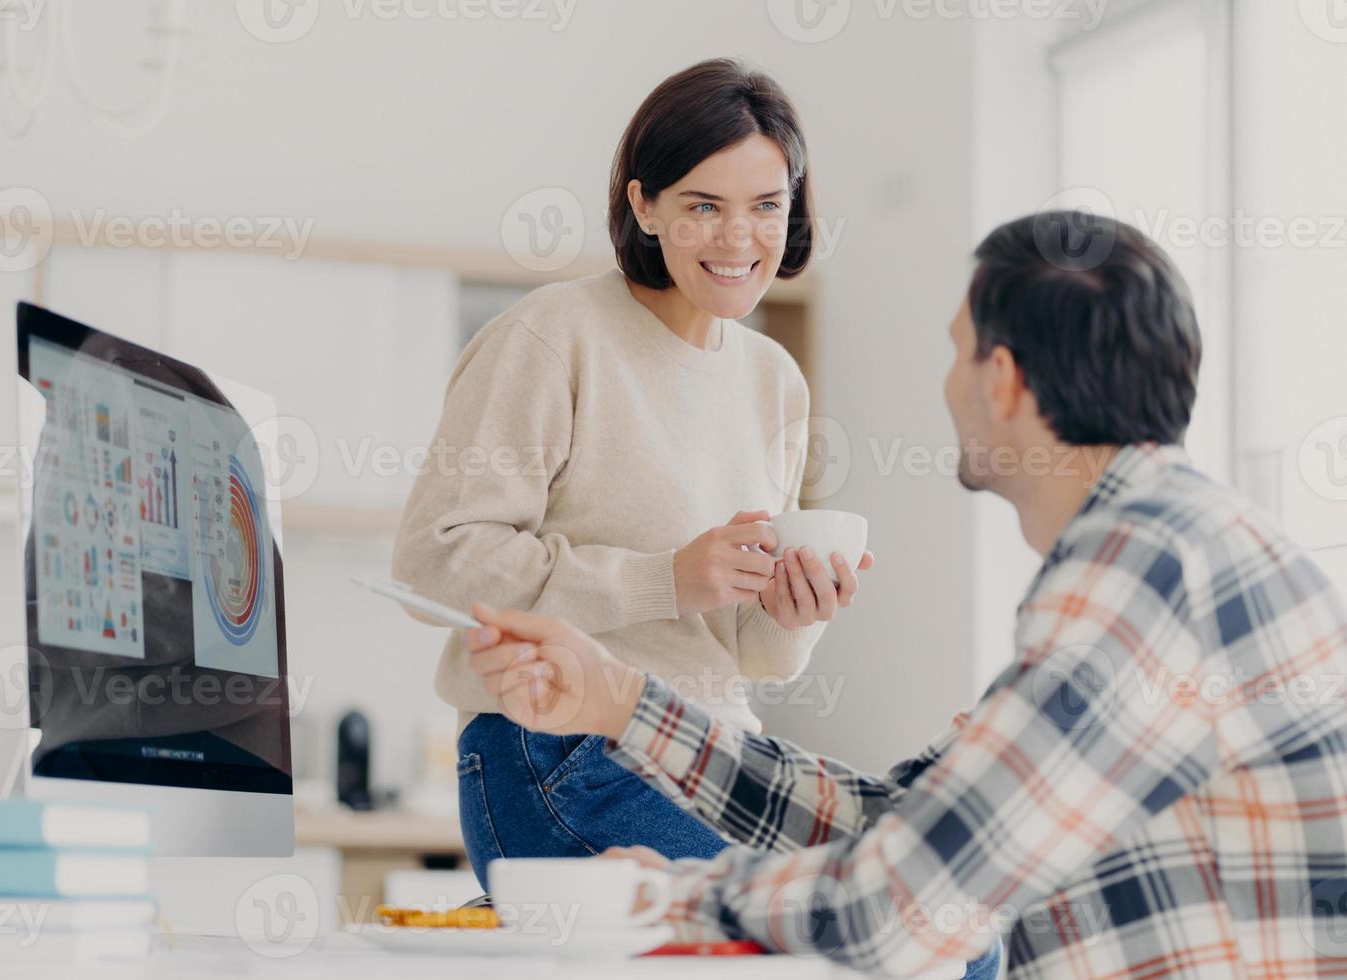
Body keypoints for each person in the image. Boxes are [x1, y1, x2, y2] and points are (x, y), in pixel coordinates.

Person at [463, 211, 1347, 978]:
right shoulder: (1175, 546)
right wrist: (622, 701)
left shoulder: (1141, 577)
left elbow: (901, 899)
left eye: (956, 354)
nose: (947, 386)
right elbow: (904, 820)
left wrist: (668, 896)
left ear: (1001, 380)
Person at [392, 60, 868, 883]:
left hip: (716, 748)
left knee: (952, 929)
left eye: (765, 207)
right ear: (644, 204)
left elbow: (753, 653)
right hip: (556, 749)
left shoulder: (774, 380)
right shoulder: (552, 338)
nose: (737, 239)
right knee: (846, 928)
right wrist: (663, 579)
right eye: (702, 207)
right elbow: (435, 564)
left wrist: (796, 609)